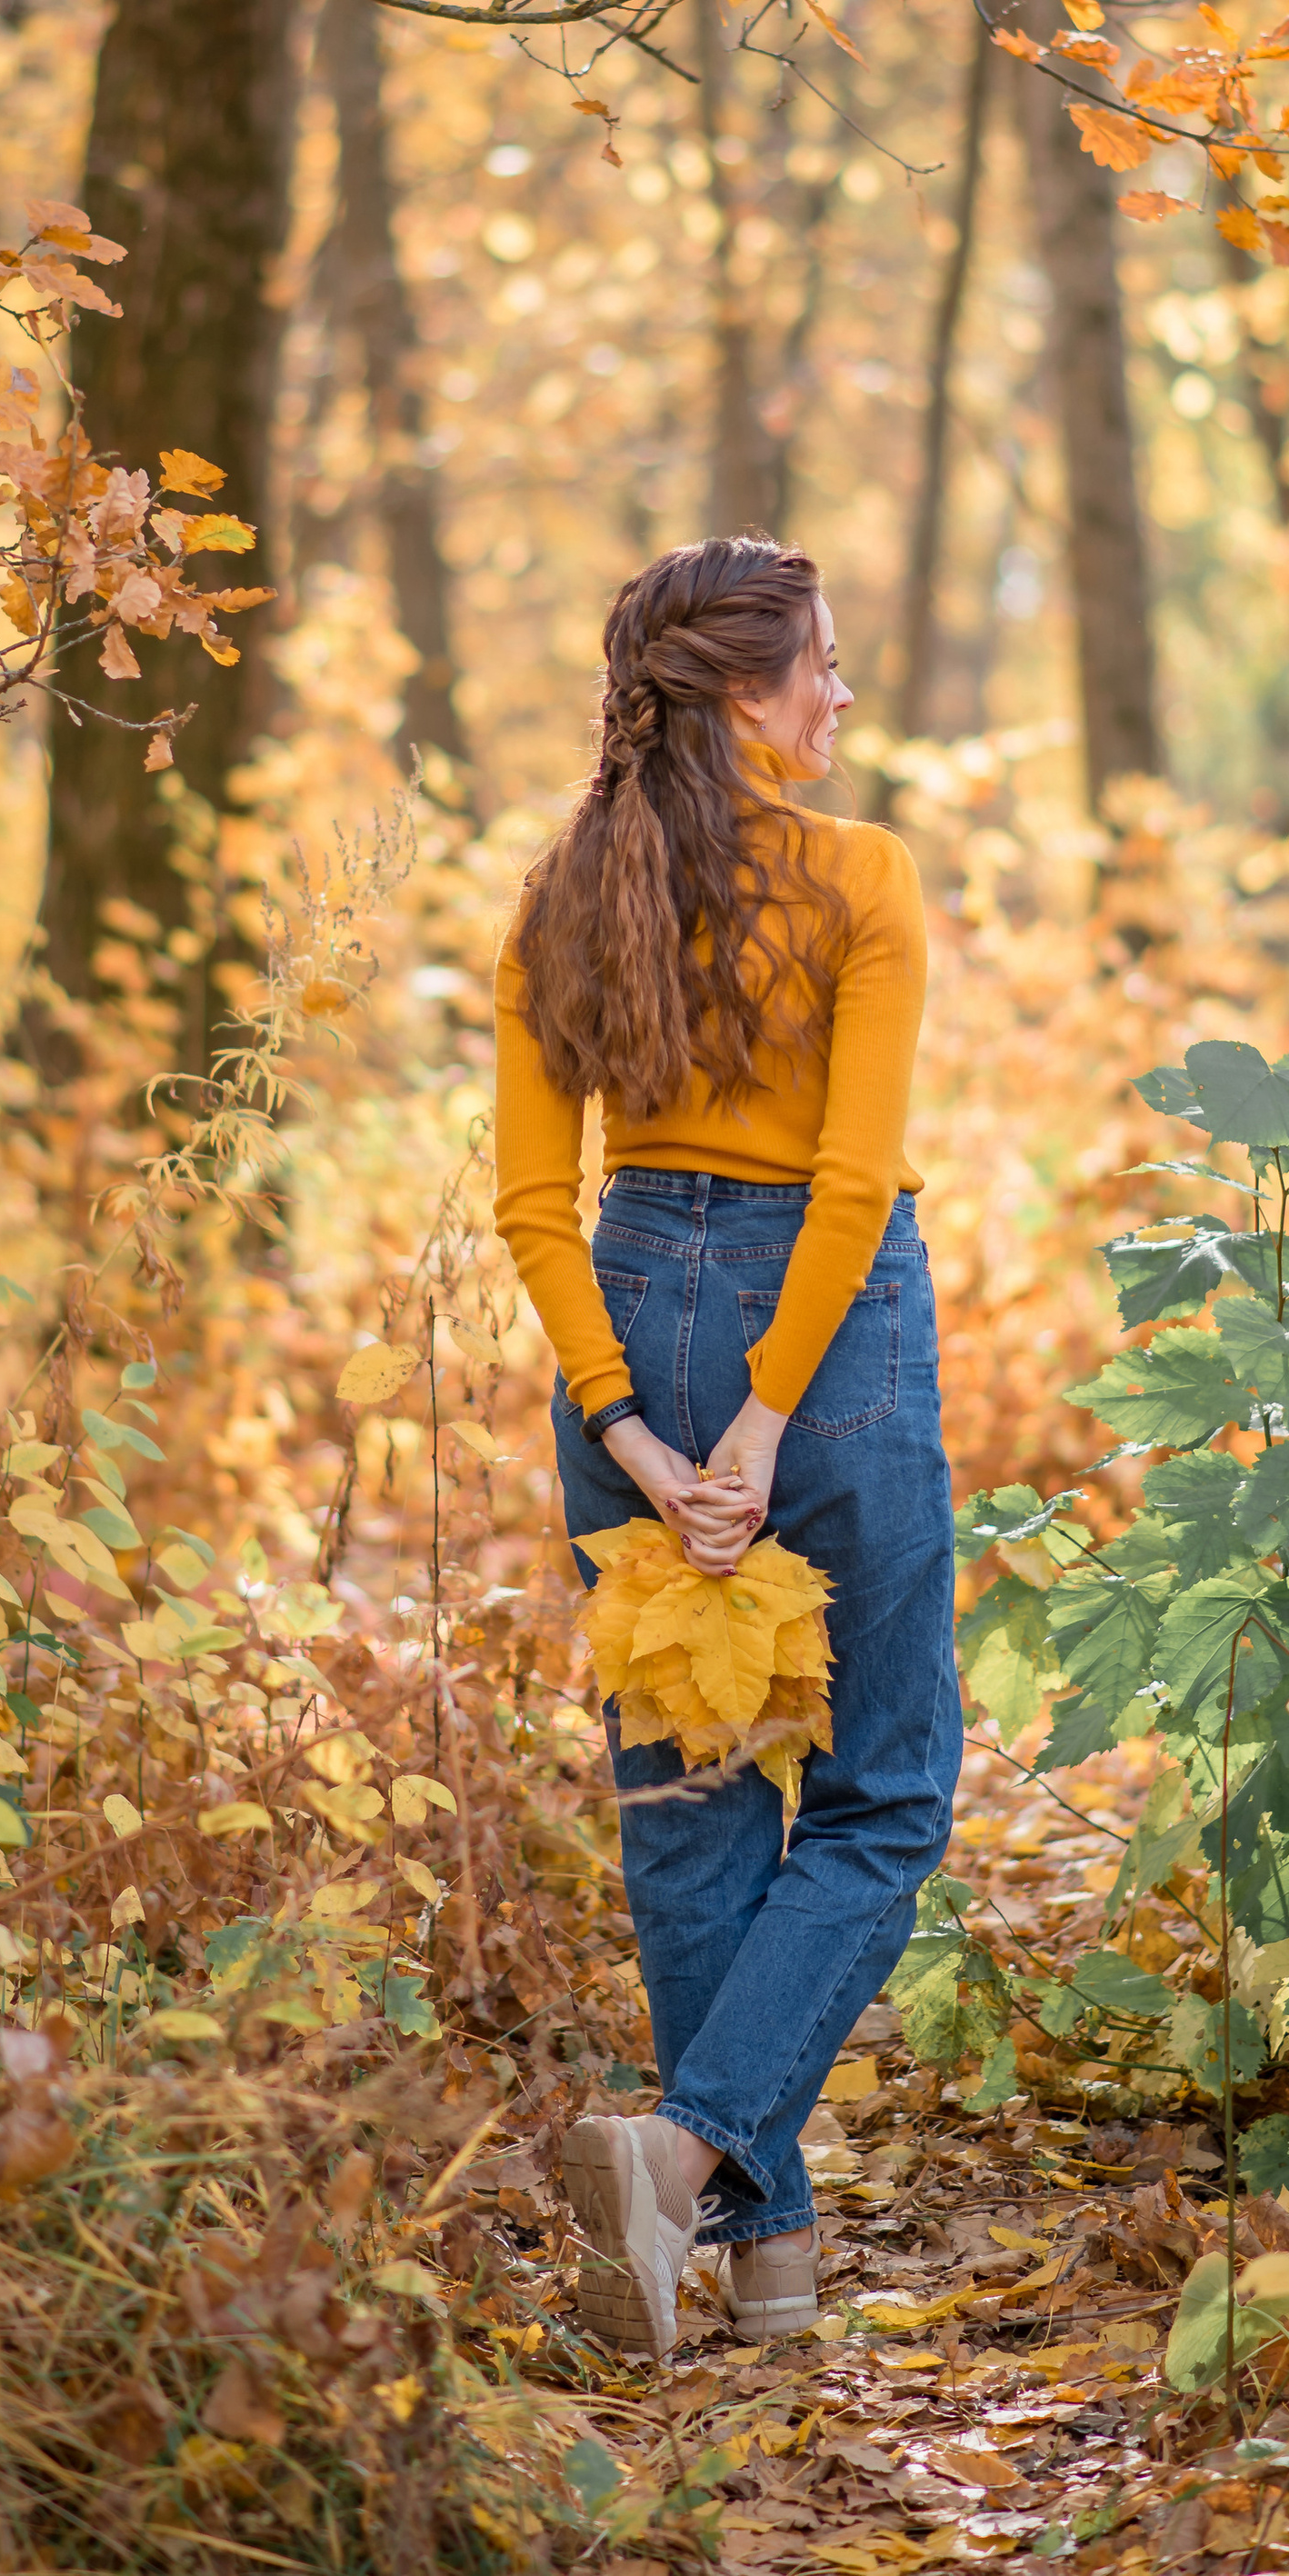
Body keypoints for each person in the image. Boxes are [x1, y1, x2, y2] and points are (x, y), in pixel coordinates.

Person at [494, 534, 960, 2361]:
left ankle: (758, 2264)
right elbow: (848, 1184)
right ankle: (686, 2157)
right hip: (819, 1342)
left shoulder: (557, 900)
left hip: (632, 1323)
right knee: (879, 1791)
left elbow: (534, 1203)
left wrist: (629, 1423)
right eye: (821, 667)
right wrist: (764, 1418)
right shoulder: (859, 878)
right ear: (745, 693)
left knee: (691, 1802)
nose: (840, 695)